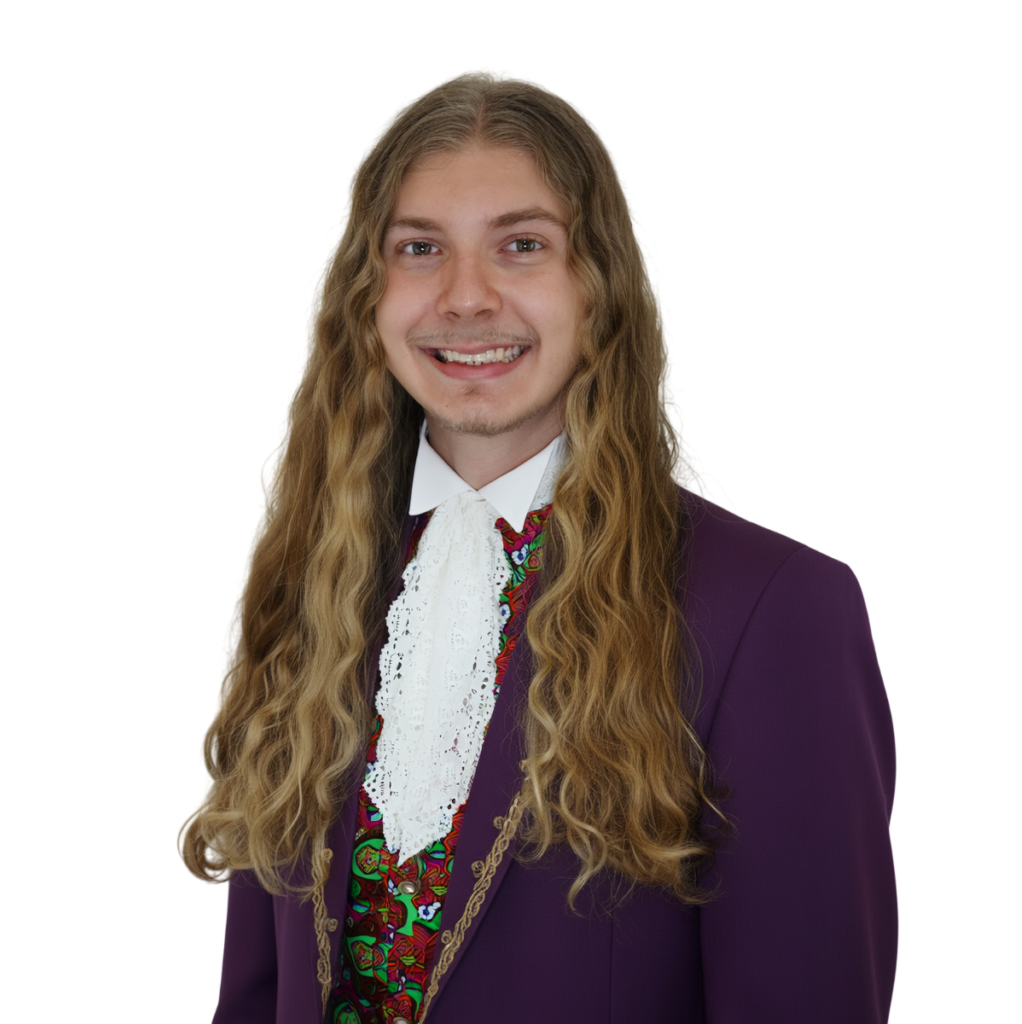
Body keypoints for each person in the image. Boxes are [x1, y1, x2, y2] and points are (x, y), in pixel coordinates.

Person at [176, 67, 899, 1024]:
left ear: (596, 284)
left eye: (522, 245)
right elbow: (254, 995)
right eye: (420, 248)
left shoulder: (772, 607)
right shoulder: (306, 577)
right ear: (365, 293)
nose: (466, 297)